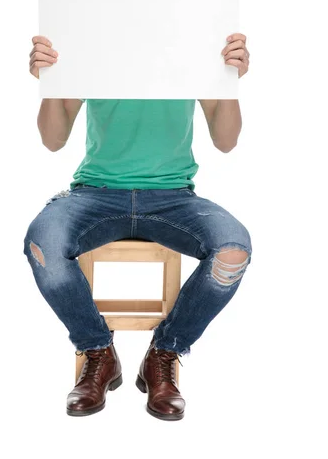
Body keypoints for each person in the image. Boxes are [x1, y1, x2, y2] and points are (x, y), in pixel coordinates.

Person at [24, 33, 252, 421]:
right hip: (96, 193)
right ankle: (97, 352)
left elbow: (227, 141)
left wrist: (227, 79)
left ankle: (164, 353)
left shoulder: (192, 41)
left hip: (173, 197)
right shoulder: (91, 41)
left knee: (233, 250)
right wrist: (51, 80)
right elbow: (52, 139)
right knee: (42, 243)